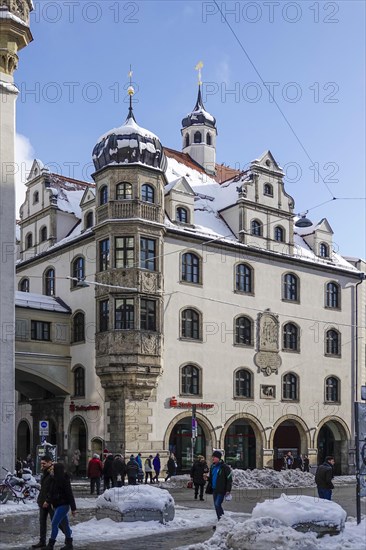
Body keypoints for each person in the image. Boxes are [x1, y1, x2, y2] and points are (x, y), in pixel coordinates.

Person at [31, 454, 67, 550]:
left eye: (44, 463)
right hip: (42, 502)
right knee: (42, 522)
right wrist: (41, 500)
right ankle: (42, 541)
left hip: (50, 503)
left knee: (56, 522)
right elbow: (44, 488)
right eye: (41, 463)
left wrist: (48, 500)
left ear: (50, 462)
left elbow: (53, 489)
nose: (42, 465)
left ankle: (68, 538)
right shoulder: (45, 472)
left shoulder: (53, 473)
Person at [43, 462, 77, 550]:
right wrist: (47, 501)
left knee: (54, 523)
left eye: (53, 469)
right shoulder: (54, 479)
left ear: (57, 470)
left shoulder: (64, 480)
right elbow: (51, 492)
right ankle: (69, 544)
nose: (52, 471)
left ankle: (51, 545)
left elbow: (70, 494)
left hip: (64, 505)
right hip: (57, 505)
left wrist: (73, 509)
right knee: (65, 525)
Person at [206, 451, 232, 524]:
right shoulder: (212, 467)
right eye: (212, 457)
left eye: (214, 457)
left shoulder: (224, 467)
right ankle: (220, 521)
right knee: (216, 505)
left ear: (218, 458)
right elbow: (211, 478)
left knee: (217, 504)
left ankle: (223, 521)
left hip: (221, 489)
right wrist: (207, 478)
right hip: (214, 489)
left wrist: (228, 490)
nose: (213, 458)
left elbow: (229, 479)